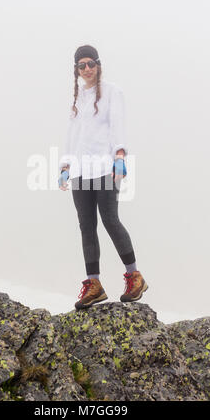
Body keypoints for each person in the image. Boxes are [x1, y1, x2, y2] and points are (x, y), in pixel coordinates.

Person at [58, 44, 148, 310]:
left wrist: (120, 157)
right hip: (81, 170)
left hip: (105, 167)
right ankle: (94, 284)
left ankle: (135, 276)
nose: (87, 69)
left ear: (98, 64)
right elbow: (71, 136)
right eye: (81, 65)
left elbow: (117, 124)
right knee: (86, 226)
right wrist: (65, 166)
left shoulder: (112, 92)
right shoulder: (77, 99)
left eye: (91, 63)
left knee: (110, 219)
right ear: (76, 70)